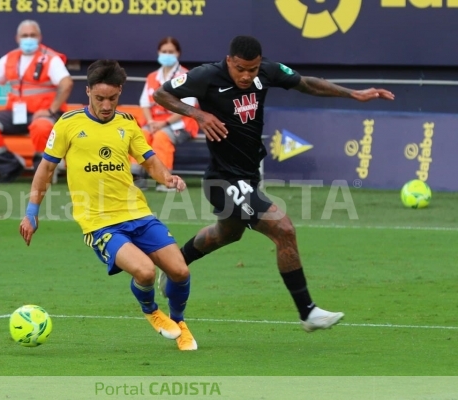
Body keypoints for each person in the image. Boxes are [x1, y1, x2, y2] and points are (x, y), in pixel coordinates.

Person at [153, 35, 395, 332]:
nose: (246, 75)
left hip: (247, 175)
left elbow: (306, 83)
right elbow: (161, 95)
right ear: (229, 61)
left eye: (252, 70)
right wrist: (198, 114)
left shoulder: (267, 71)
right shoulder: (206, 75)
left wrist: (352, 94)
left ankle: (174, 263)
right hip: (223, 179)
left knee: (225, 234)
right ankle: (308, 311)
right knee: (284, 229)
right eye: (240, 68)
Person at [18, 60, 197, 351]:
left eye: (112, 98)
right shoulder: (68, 124)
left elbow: (149, 160)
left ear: (120, 93)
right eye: (99, 98)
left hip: (138, 213)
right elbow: (46, 170)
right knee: (146, 272)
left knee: (180, 272)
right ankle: (152, 311)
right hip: (99, 222)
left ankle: (179, 322)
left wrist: (168, 178)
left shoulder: (127, 123)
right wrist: (31, 213)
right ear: (88, 91)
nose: (105, 105)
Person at [0, 20, 74, 183]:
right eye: (25, 35)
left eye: (32, 35)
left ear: (40, 37)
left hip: (45, 114)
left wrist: (51, 110)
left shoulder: (50, 58)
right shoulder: (10, 58)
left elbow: (67, 84)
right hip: (17, 114)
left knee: (41, 127)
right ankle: (9, 167)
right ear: (17, 38)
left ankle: (44, 172)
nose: (28, 39)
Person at [134, 37, 199, 192]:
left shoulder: (185, 76)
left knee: (161, 136)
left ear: (178, 53)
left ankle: (166, 180)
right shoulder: (152, 77)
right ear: (158, 53)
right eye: (164, 51)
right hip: (154, 122)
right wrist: (150, 122)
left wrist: (163, 124)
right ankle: (136, 176)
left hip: (180, 124)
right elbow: (144, 103)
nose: (167, 54)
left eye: (171, 52)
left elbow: (187, 107)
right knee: (140, 134)